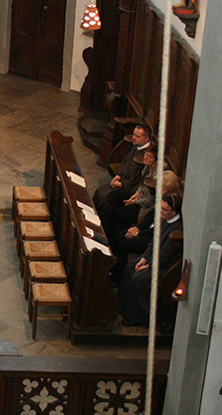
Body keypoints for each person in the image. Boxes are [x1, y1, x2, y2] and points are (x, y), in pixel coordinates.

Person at [118, 194, 183, 326]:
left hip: (163, 267)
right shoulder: (163, 219)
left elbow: (164, 258)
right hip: (152, 259)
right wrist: (143, 258)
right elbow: (153, 243)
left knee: (139, 279)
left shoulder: (176, 230)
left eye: (164, 209)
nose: (160, 211)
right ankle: (121, 307)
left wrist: (147, 266)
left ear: (174, 212)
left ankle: (135, 317)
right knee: (130, 267)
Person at [93, 124, 152, 212]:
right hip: (122, 180)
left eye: (137, 136)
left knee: (106, 198)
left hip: (129, 188)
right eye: (133, 135)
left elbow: (137, 180)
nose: (133, 138)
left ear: (146, 139)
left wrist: (121, 184)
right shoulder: (136, 146)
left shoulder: (146, 156)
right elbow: (125, 161)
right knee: (99, 192)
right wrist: (118, 175)